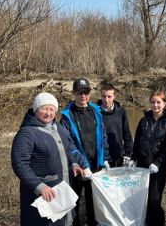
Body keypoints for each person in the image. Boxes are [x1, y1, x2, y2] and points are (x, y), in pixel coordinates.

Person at [11, 92, 87, 226]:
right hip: (42, 194)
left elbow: (67, 148)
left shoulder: (59, 128)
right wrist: (39, 187)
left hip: (62, 190)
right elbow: (20, 164)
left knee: (64, 221)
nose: (48, 113)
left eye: (52, 109)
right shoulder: (27, 133)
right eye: (44, 108)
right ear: (36, 109)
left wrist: (73, 163)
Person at [60, 78, 110, 226]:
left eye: (86, 92)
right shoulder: (67, 116)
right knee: (74, 201)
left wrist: (105, 158)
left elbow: (103, 136)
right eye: (79, 92)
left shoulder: (96, 110)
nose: (83, 96)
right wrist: (82, 164)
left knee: (93, 202)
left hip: (96, 166)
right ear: (74, 93)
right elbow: (68, 144)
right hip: (78, 167)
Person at [131, 90, 166, 226]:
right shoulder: (144, 120)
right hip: (142, 167)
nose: (155, 105)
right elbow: (137, 141)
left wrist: (158, 162)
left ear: (164, 104)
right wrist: (133, 159)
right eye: (152, 102)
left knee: (154, 201)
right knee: (142, 199)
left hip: (158, 169)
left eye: (158, 102)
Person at [98, 82, 133, 167]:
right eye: (104, 96)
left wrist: (128, 154)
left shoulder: (121, 111)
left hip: (118, 156)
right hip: (101, 157)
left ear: (114, 96)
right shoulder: (95, 112)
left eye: (109, 97)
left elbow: (127, 134)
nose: (106, 100)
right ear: (101, 96)